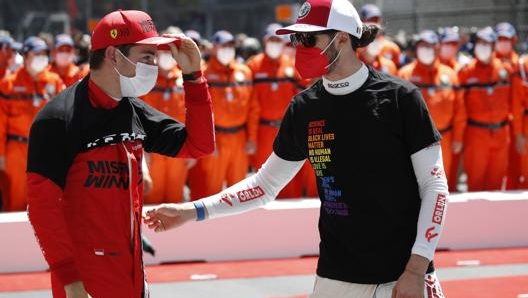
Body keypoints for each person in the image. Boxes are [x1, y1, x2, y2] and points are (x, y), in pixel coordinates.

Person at [145, 0, 449, 297]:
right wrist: (191, 211)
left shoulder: (401, 98)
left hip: (404, 276)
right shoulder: (304, 107)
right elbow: (264, 186)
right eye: (296, 38)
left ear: (342, 38)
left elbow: (434, 186)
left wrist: (416, 268)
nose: (298, 46)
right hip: (336, 275)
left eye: (308, 37)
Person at [26, 9, 214, 298]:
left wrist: (194, 78)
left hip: (132, 272)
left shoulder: (133, 110)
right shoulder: (57, 119)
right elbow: (42, 207)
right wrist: (71, 283)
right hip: (85, 280)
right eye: (147, 57)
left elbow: (199, 145)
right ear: (114, 55)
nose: (155, 65)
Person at [186, 29, 259, 201]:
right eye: (223, 45)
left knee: (240, 193)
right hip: (216, 138)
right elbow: (197, 112)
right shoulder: (203, 72)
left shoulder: (244, 72)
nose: (227, 49)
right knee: (211, 192)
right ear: (214, 48)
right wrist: (207, 142)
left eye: (230, 45)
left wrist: (252, 138)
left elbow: (253, 109)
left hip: (239, 139)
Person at [246, 23, 317, 199]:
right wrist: (251, 137)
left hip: (287, 129)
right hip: (263, 130)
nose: (274, 43)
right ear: (264, 40)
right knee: (264, 181)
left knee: (290, 181)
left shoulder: (292, 65)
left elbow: (304, 95)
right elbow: (250, 105)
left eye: (278, 40)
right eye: (271, 39)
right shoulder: (253, 65)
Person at [0, 36, 65, 212]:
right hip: (17, 151)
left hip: (47, 151)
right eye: (36, 54)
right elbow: (1, 123)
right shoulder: (9, 84)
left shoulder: (55, 82)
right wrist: (2, 156)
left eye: (43, 54)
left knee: (45, 203)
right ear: (26, 56)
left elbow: (63, 119)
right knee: (16, 202)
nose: (40, 58)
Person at [398, 30, 466, 193]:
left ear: (437, 48)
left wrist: (458, 138)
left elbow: (459, 110)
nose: (426, 49)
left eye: (429, 45)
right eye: (422, 45)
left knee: (443, 186)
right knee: (416, 186)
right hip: (415, 142)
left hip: (445, 139)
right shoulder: (405, 74)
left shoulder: (450, 75)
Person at [458, 26, 512, 191]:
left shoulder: (505, 70)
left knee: (497, 182)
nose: (483, 46)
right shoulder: (466, 72)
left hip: (501, 133)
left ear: (493, 45)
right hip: (476, 134)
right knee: (475, 182)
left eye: (487, 43)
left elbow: (513, 101)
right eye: (480, 42)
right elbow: (460, 108)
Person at [141, 46, 195, 203]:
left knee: (175, 197)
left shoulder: (185, 79)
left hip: (179, 147)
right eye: (162, 52)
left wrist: (193, 148)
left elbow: (193, 114)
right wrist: (143, 151)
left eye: (169, 53)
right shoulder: (146, 80)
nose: (166, 56)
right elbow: (138, 115)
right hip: (153, 148)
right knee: (151, 197)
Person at [359, 3, 402, 68]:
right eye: (370, 20)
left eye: (376, 20)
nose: (373, 23)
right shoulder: (355, 46)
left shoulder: (392, 48)